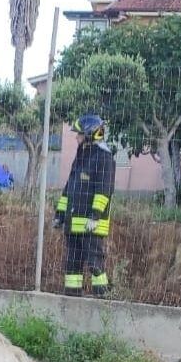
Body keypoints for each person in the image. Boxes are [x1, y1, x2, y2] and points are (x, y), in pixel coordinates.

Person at [53, 114, 115, 296]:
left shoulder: (104, 158)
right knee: (72, 264)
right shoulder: (81, 155)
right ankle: (71, 300)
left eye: (79, 133)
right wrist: (60, 215)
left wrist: (95, 216)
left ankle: (102, 299)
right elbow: (69, 189)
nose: (76, 137)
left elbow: (104, 190)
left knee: (95, 263)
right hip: (73, 223)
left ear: (90, 134)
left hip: (91, 225)